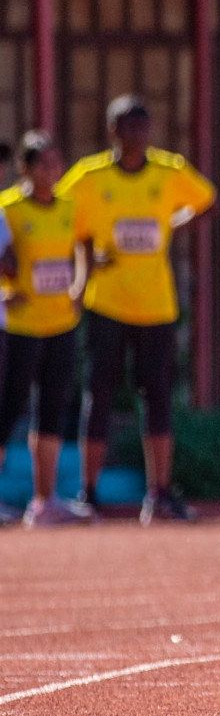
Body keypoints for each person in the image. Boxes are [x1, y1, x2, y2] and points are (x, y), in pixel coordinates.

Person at [59, 95, 217, 524]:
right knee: (100, 395)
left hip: (156, 306)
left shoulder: (169, 171)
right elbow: (64, 220)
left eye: (144, 127)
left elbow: (206, 201)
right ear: (113, 131)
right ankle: (88, 494)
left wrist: (171, 226)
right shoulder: (90, 177)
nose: (139, 135)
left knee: (159, 397)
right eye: (130, 127)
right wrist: (86, 263)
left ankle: (159, 493)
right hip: (106, 303)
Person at [0, 132, 92, 527]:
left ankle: (45, 500)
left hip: (60, 324)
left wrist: (79, 286)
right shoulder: (8, 208)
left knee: (52, 409)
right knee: (8, 409)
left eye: (57, 162)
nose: (52, 171)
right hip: (19, 327)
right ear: (25, 169)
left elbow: (84, 248)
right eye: (43, 164)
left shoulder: (70, 207)